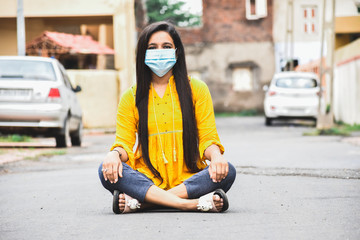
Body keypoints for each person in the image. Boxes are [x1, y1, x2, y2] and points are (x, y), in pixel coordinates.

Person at [98, 21, 236, 214]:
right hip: (146, 179)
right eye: (152, 47)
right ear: (143, 54)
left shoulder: (197, 89)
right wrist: (112, 155)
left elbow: (207, 138)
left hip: (188, 179)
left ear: (177, 52)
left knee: (227, 170)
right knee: (105, 172)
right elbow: (124, 144)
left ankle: (144, 203)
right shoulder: (131, 97)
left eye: (166, 47)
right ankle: (187, 203)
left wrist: (216, 157)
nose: (159, 51)